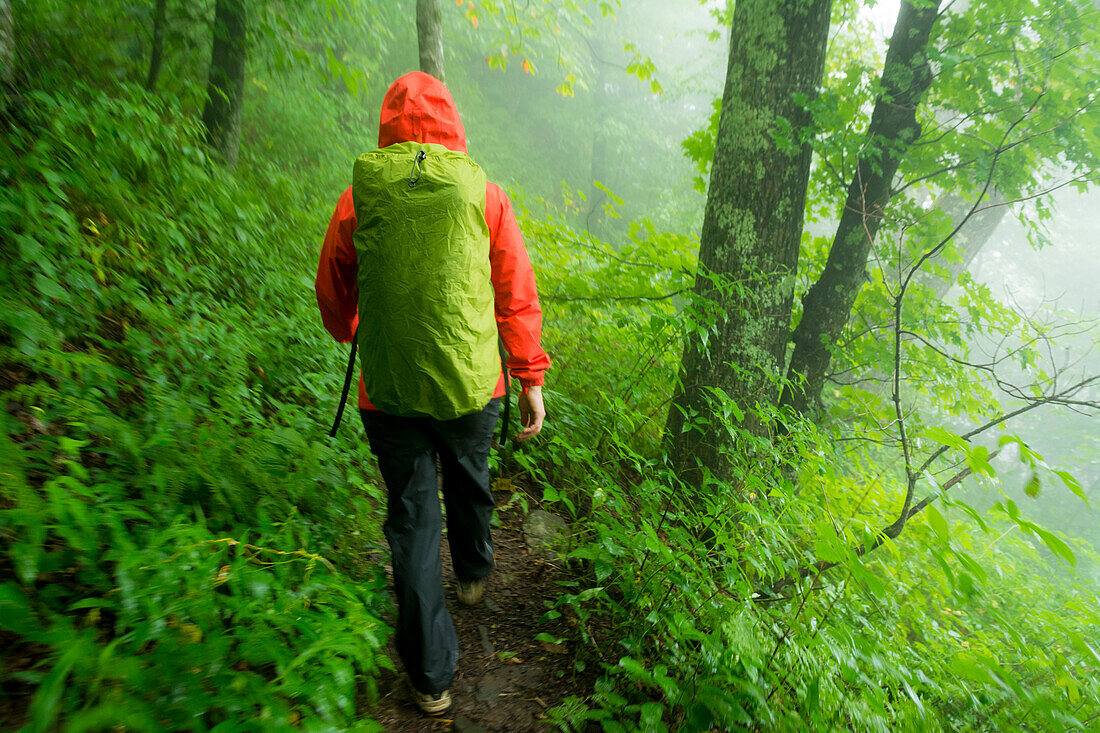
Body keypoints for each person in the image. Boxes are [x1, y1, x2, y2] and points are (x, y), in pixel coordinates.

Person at [314, 71, 550, 716]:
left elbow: (333, 288)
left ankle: (429, 678)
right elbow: (514, 290)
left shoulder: (357, 198)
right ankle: (473, 575)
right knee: (471, 477)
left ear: (388, 126)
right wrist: (529, 376)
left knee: (414, 522)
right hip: (476, 388)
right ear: (453, 125)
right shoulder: (486, 196)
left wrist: (352, 330)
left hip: (388, 392)